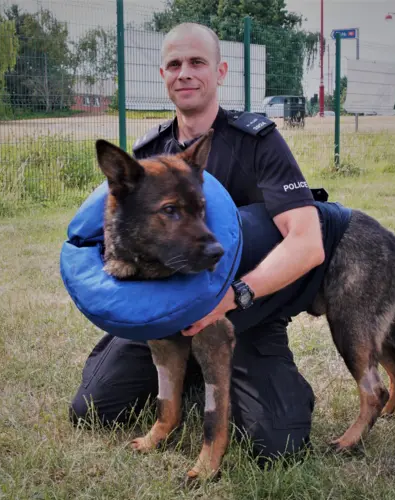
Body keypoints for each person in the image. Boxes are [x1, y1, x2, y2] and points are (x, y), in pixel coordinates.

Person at [69, 22, 326, 463]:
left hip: (240, 313)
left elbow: (308, 243)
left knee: (277, 444)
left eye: (197, 62)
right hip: (164, 310)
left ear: (220, 71)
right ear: (164, 75)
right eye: (174, 64)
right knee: (93, 409)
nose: (184, 73)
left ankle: (270, 383)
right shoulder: (149, 153)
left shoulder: (257, 141)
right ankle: (184, 374)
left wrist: (235, 295)